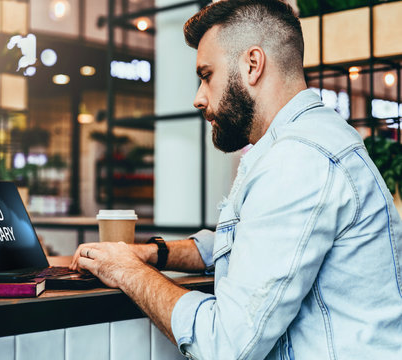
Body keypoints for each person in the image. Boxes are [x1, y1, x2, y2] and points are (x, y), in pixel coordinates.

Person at [70, 0, 402, 358]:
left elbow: (226, 345)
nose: (199, 98)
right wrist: (154, 252)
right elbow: (250, 240)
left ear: (252, 65)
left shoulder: (298, 160)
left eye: (206, 75)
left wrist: (127, 271)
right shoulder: (305, 142)